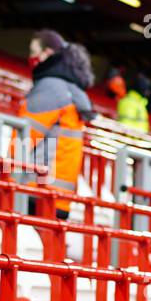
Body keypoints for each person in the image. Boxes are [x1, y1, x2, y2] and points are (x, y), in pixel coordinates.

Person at [18, 29, 95, 218]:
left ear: (48, 53)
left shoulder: (50, 87)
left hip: (37, 191)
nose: (31, 56)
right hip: (60, 197)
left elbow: (21, 140)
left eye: (34, 50)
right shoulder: (73, 90)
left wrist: (3, 180)